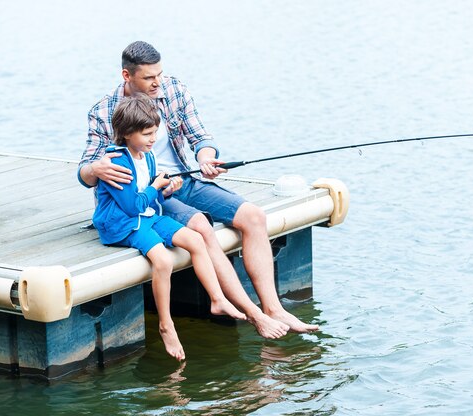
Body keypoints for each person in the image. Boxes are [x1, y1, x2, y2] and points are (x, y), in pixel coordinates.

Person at [79, 40, 318, 337]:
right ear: (127, 76)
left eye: (160, 74)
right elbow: (86, 170)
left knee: (254, 216)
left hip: (187, 179)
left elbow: (200, 136)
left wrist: (206, 158)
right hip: (151, 195)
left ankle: (274, 309)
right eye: (149, 78)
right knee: (202, 227)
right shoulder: (103, 111)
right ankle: (255, 315)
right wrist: (94, 169)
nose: (158, 83)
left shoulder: (173, 90)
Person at [93, 95, 246, 361]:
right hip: (123, 224)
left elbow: (149, 195)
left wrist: (164, 189)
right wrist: (155, 187)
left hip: (147, 214)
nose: (153, 139)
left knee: (196, 240)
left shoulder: (147, 156)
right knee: (162, 261)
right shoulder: (117, 162)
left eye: (155, 132)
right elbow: (131, 206)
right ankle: (166, 324)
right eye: (147, 133)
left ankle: (217, 299)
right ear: (127, 133)